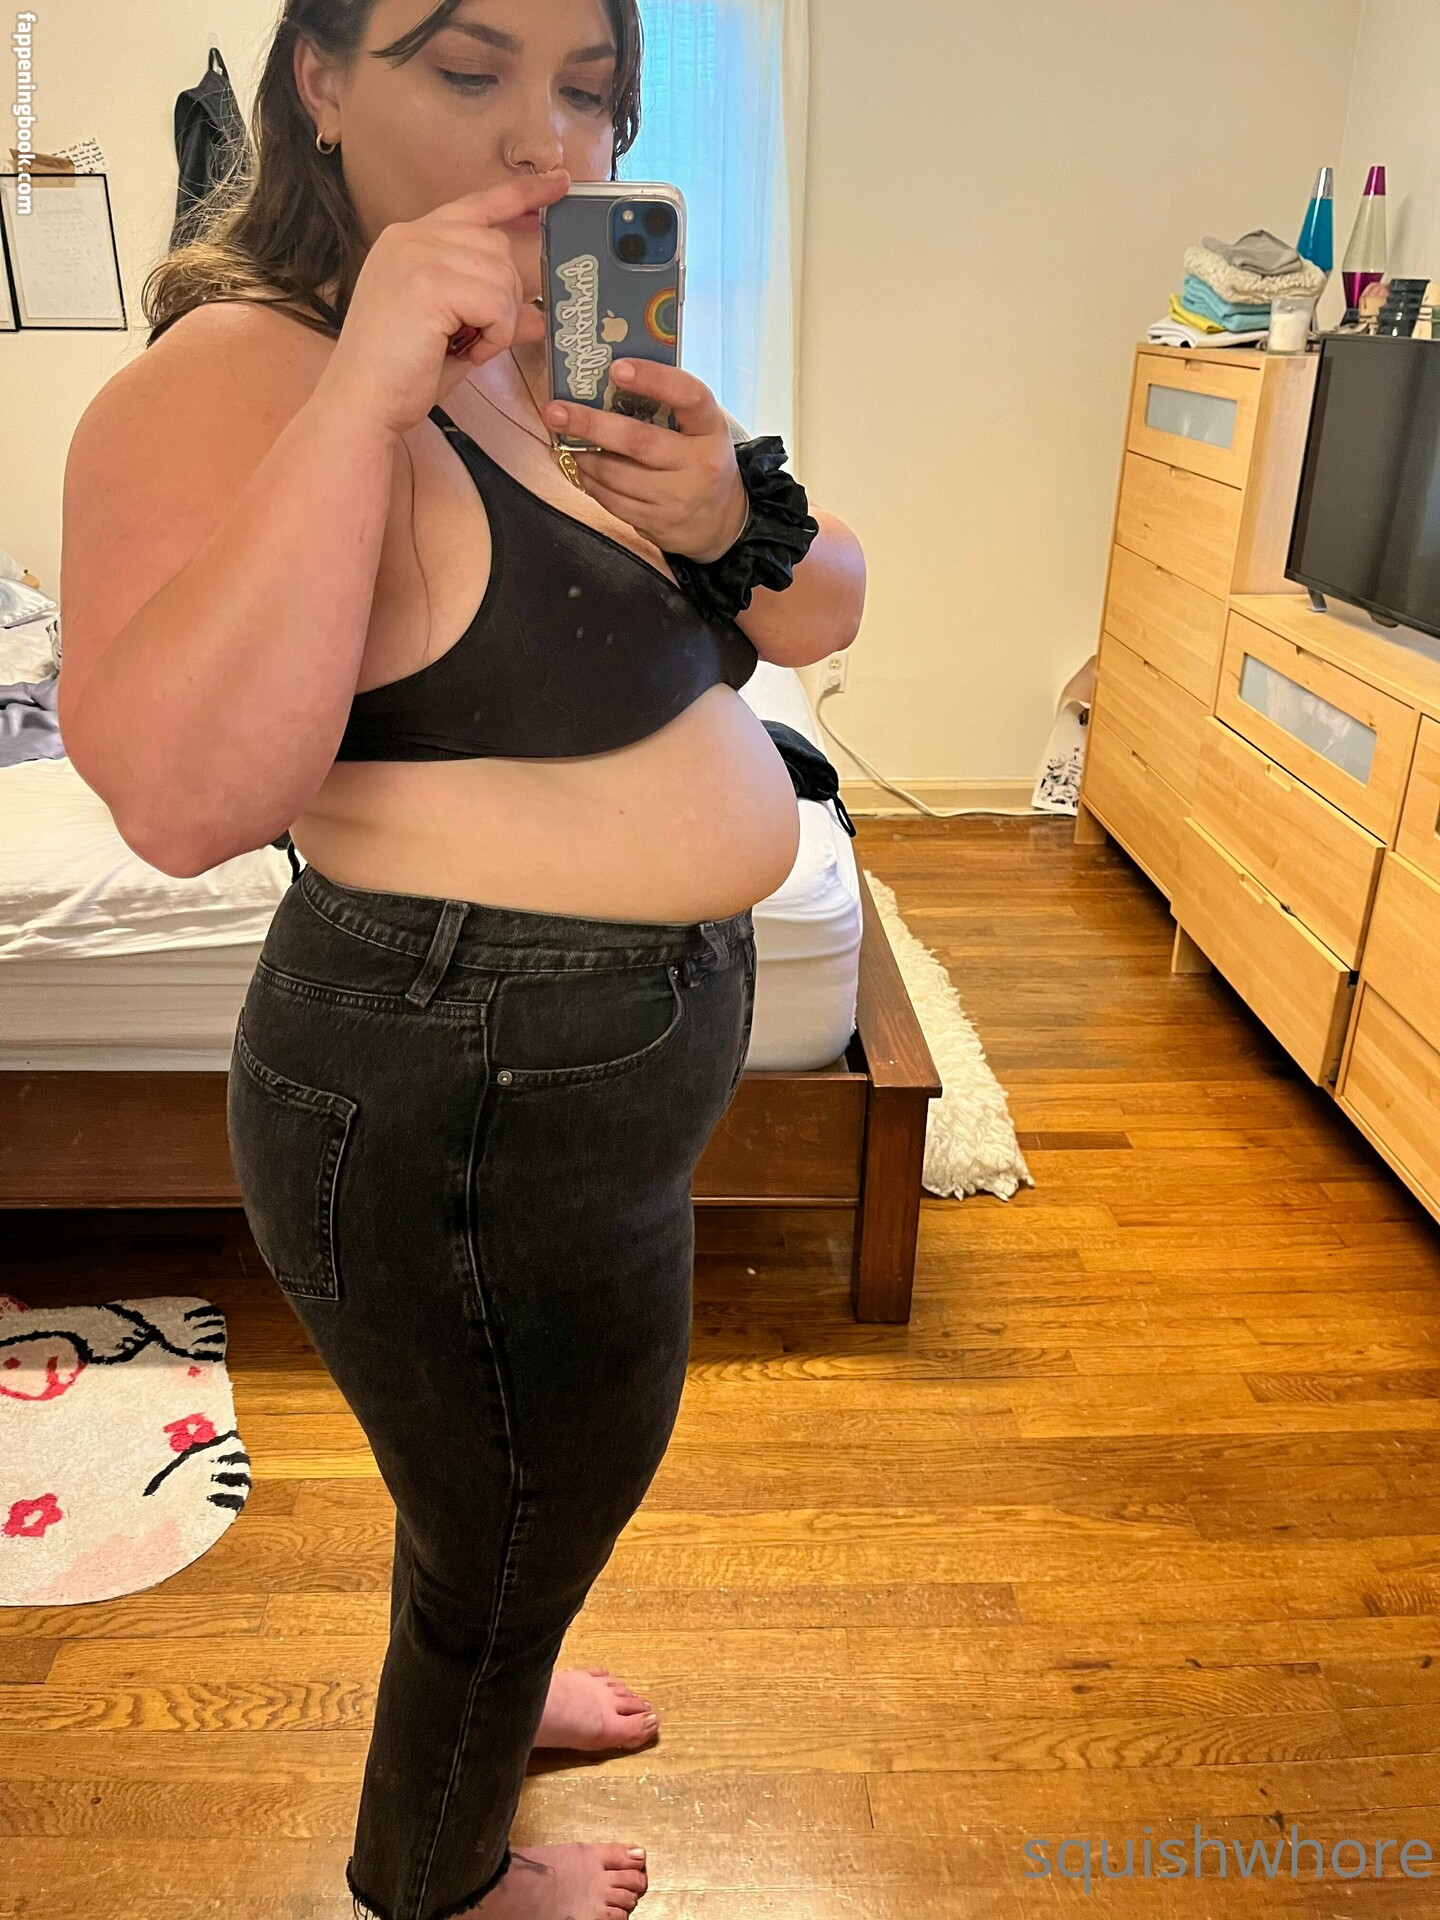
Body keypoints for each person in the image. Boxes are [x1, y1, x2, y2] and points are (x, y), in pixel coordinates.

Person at [57, 3, 866, 1917]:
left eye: (587, 92)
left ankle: (497, 1669)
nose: (543, 143)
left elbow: (826, 609)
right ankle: (441, 1878)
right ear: (322, 81)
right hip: (454, 1082)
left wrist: (725, 510)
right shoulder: (230, 379)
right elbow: (180, 801)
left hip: (593, 1081)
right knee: (521, 1490)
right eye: (469, 68)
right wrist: (362, 396)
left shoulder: (577, 355)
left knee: (522, 1477)